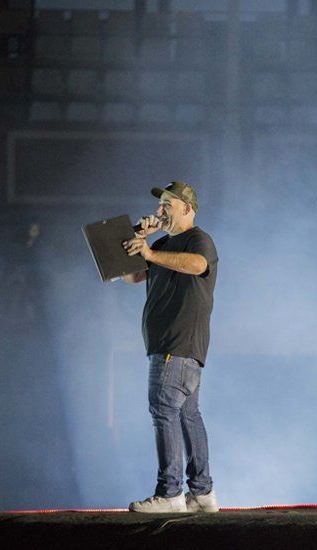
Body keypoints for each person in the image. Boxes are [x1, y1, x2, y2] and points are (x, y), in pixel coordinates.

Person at [121, 181, 219, 514]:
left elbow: (198, 266)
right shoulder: (161, 243)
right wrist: (141, 242)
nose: (160, 210)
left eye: (168, 204)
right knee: (188, 414)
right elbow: (132, 277)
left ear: (187, 209)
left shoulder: (198, 239)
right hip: (174, 345)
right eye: (160, 204)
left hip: (177, 344)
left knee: (163, 410)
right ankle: (202, 493)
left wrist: (149, 253)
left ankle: (171, 493)